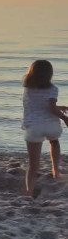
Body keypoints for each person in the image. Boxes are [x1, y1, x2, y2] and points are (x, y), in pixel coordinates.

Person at [21, 60, 68, 198]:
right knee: (54, 142)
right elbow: (50, 108)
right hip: (51, 126)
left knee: (33, 164)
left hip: (34, 127)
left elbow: (38, 106)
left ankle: (29, 192)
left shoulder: (28, 88)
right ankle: (56, 173)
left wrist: (58, 108)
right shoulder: (53, 89)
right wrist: (64, 118)